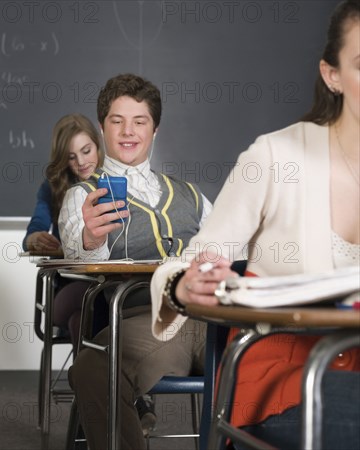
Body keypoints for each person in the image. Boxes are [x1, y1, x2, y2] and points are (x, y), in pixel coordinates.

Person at [150, 1, 359, 448]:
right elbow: (189, 263)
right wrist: (184, 286)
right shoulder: (274, 156)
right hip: (284, 379)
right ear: (332, 75)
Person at [59, 73, 213, 449]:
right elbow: (77, 252)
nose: (129, 131)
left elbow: (233, 250)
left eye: (139, 121)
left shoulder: (192, 195)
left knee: (275, 349)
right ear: (102, 127)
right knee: (94, 369)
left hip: (214, 317)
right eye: (117, 121)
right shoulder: (82, 196)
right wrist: (92, 237)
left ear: (155, 129)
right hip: (150, 324)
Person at [23, 113, 104, 352]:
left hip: (113, 283)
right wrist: (34, 238)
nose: (81, 162)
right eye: (71, 157)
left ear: (98, 144)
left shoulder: (117, 182)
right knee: (81, 309)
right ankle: (102, 385)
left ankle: (89, 385)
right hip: (72, 283)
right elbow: (34, 229)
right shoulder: (54, 186)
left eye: (86, 151)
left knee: (79, 320)